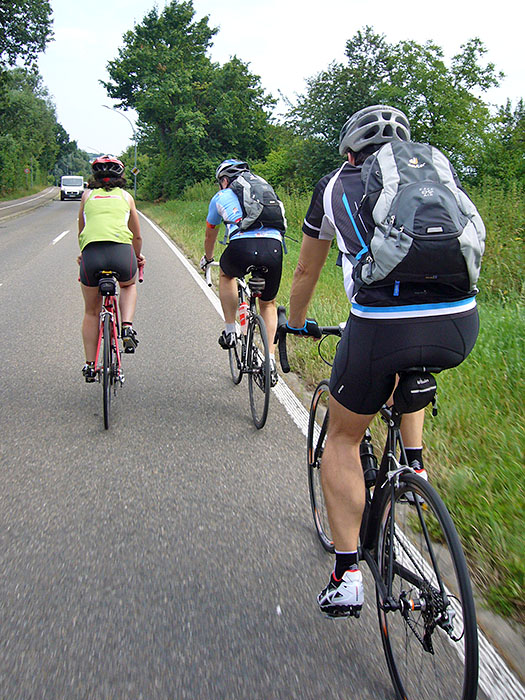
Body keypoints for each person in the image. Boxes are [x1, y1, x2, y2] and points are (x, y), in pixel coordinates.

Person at [286, 105, 480, 617]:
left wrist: (294, 322)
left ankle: (347, 573)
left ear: (350, 150)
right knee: (410, 367)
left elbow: (307, 268)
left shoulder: (334, 185)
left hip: (381, 324)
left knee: (344, 437)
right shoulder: (433, 171)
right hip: (460, 322)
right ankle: (414, 467)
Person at [201, 159, 284, 386]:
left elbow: (211, 233)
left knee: (227, 274)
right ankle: (270, 361)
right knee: (268, 304)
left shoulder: (221, 196)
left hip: (240, 248)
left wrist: (208, 259)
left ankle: (230, 330)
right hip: (274, 248)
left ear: (224, 180)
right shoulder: (264, 192)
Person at [77, 155, 145, 382]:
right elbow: (136, 235)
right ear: (121, 176)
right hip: (121, 254)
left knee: (91, 311)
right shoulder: (127, 198)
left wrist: (83, 253)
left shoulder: (86, 196)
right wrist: (137, 257)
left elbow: (82, 231)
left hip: (91, 256)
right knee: (128, 284)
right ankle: (126, 327)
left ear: (94, 177)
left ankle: (89, 365)